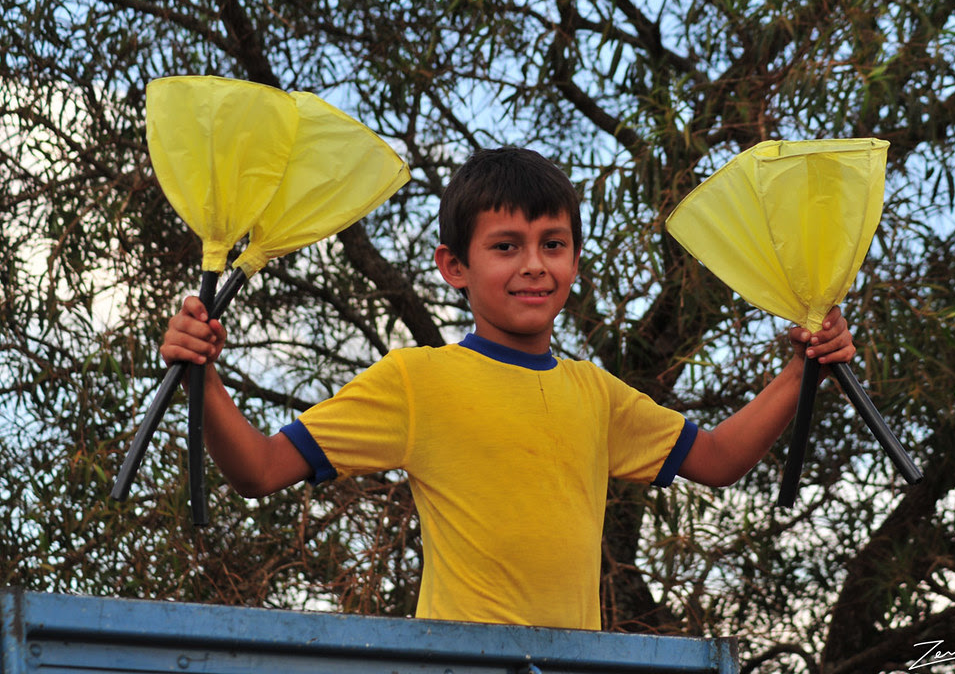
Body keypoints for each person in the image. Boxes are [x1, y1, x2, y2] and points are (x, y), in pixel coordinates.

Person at [161, 147, 855, 630]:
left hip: (574, 666)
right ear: (453, 266)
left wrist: (803, 370)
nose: (534, 265)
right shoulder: (416, 381)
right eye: (505, 246)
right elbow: (258, 469)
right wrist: (203, 374)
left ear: (575, 259)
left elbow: (720, 459)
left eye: (553, 244)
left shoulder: (596, 394)